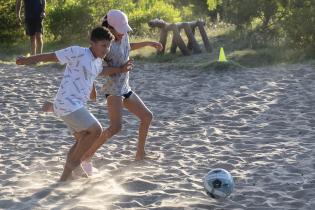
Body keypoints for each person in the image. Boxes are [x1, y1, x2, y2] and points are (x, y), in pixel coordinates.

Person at [16, 26, 133, 181]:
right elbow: (50, 56)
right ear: (92, 43)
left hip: (75, 105)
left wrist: (119, 69)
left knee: (83, 138)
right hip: (66, 103)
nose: (106, 49)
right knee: (96, 130)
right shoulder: (78, 52)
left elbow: (100, 72)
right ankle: (74, 165)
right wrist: (26, 60)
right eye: (103, 45)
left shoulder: (98, 62)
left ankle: (66, 177)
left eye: (109, 46)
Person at [81, 9, 163, 168]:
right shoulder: (105, 47)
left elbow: (128, 46)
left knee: (147, 117)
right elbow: (96, 71)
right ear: (109, 27)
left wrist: (148, 43)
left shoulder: (123, 36)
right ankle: (85, 157)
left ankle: (140, 154)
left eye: (124, 30)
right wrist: (120, 69)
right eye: (120, 30)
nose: (123, 34)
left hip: (125, 87)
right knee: (116, 127)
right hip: (113, 90)